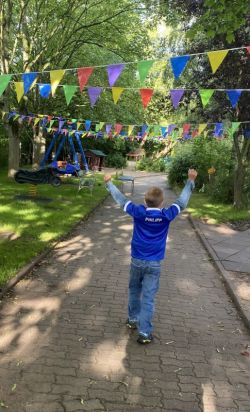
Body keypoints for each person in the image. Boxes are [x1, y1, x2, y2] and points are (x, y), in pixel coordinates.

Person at [104, 169, 198, 344]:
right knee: (148, 298)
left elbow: (121, 200)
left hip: (136, 260)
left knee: (134, 290)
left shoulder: (139, 212)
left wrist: (109, 183)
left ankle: (133, 320)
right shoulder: (166, 215)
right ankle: (145, 334)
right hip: (154, 263)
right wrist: (190, 181)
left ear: (145, 200)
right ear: (162, 202)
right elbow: (182, 202)